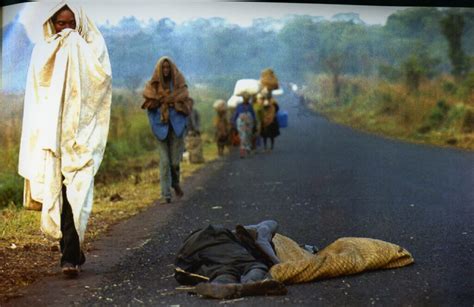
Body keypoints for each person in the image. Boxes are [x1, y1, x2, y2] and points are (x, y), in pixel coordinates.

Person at [18, 2, 112, 277]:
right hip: (51, 136)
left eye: (71, 23)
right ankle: (70, 253)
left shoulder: (93, 49)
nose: (67, 29)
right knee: (56, 192)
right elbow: (37, 96)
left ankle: (70, 255)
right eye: (61, 23)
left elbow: (101, 85)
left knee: (77, 194)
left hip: (81, 136)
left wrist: (77, 54)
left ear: (79, 23)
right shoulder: (42, 52)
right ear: (52, 24)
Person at [142, 57, 192, 204]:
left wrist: (174, 105)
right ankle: (166, 194)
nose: (165, 71)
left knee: (175, 162)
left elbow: (185, 102)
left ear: (172, 69)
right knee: (164, 161)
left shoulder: (179, 86)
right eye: (163, 68)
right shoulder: (153, 87)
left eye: (168, 68)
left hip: (176, 127)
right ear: (159, 70)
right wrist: (160, 106)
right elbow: (148, 104)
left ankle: (175, 183)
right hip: (160, 127)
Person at [231, 94, 256, 158]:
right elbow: (236, 114)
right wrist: (233, 123)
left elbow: (253, 115)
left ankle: (248, 148)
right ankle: (242, 152)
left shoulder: (250, 106)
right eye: (245, 98)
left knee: (248, 136)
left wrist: (255, 123)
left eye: (247, 99)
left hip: (249, 123)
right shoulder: (239, 106)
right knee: (242, 137)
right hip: (241, 124)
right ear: (243, 99)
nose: (246, 100)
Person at [185, 98, 204, 164]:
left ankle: (197, 159)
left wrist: (198, 129)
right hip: (187, 132)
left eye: (191, 103)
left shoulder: (195, 112)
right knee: (188, 146)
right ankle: (189, 160)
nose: (190, 105)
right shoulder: (184, 112)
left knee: (196, 146)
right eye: (188, 103)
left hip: (195, 131)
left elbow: (198, 121)